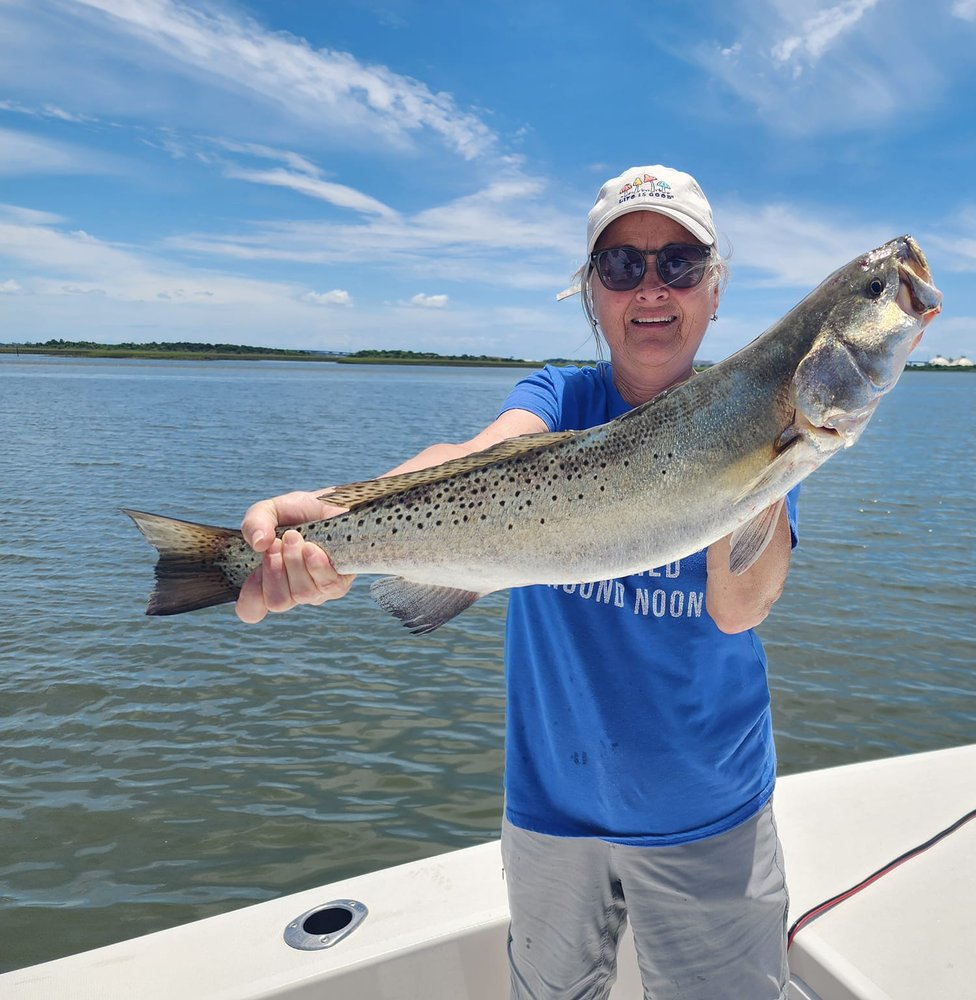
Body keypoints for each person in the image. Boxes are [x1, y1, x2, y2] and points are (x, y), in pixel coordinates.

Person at [236, 165, 798, 999]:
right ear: (591, 293)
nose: (651, 287)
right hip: (550, 808)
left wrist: (765, 461)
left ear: (714, 292)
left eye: (678, 263)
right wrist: (324, 522)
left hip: (707, 810)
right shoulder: (558, 395)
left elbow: (735, 609)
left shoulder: (754, 418)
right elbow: (468, 460)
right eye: (621, 266)